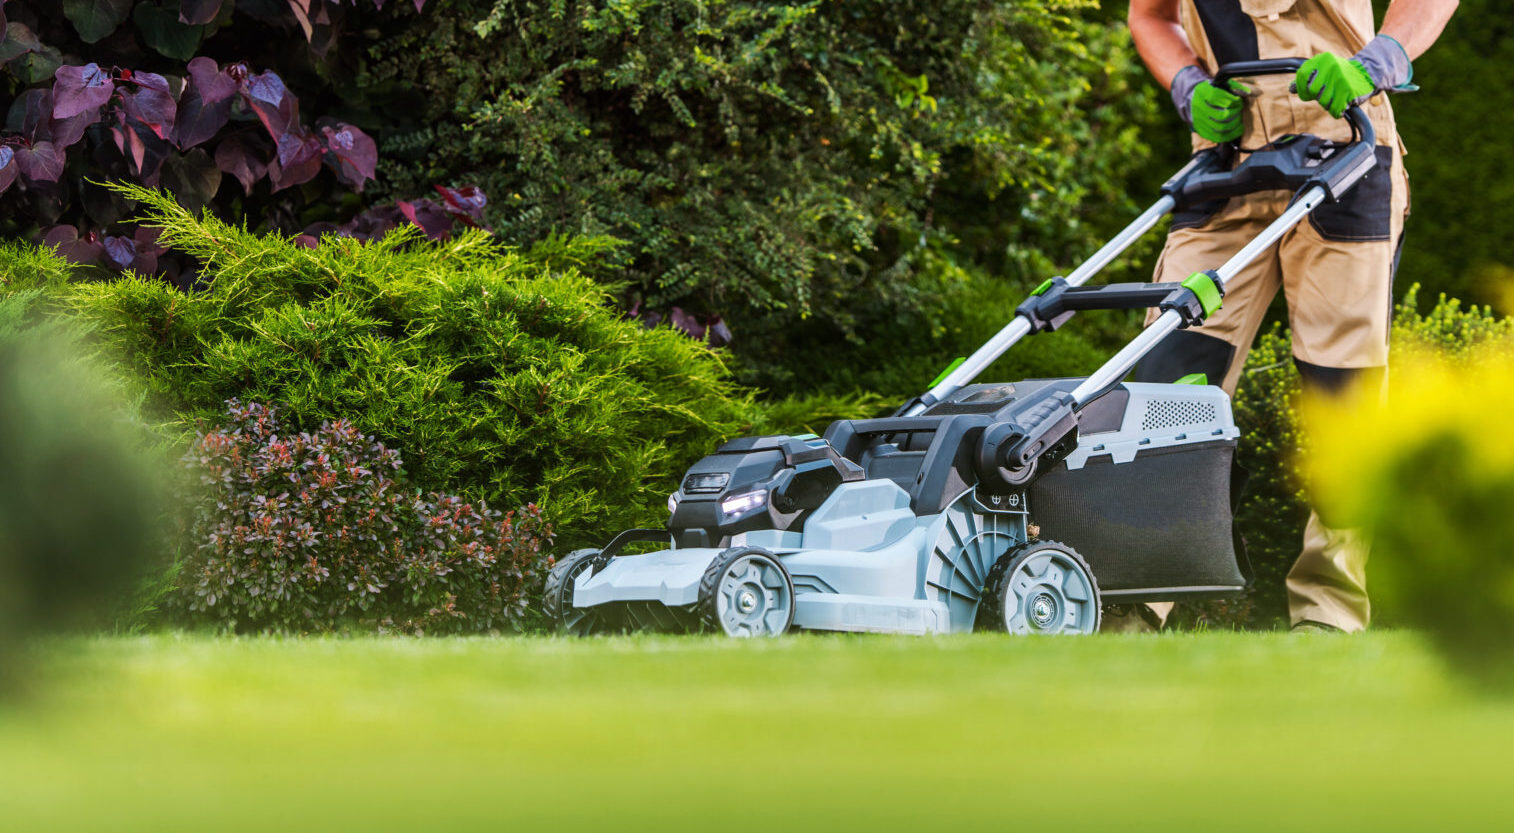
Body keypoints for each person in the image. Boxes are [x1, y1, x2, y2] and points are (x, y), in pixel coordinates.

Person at [1117, 0, 1459, 633]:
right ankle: (1134, 600)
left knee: (1343, 392)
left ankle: (1328, 614)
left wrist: (1380, 59)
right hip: (1227, 159)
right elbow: (1150, 15)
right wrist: (1188, 83)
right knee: (1165, 381)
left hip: (1347, 144)